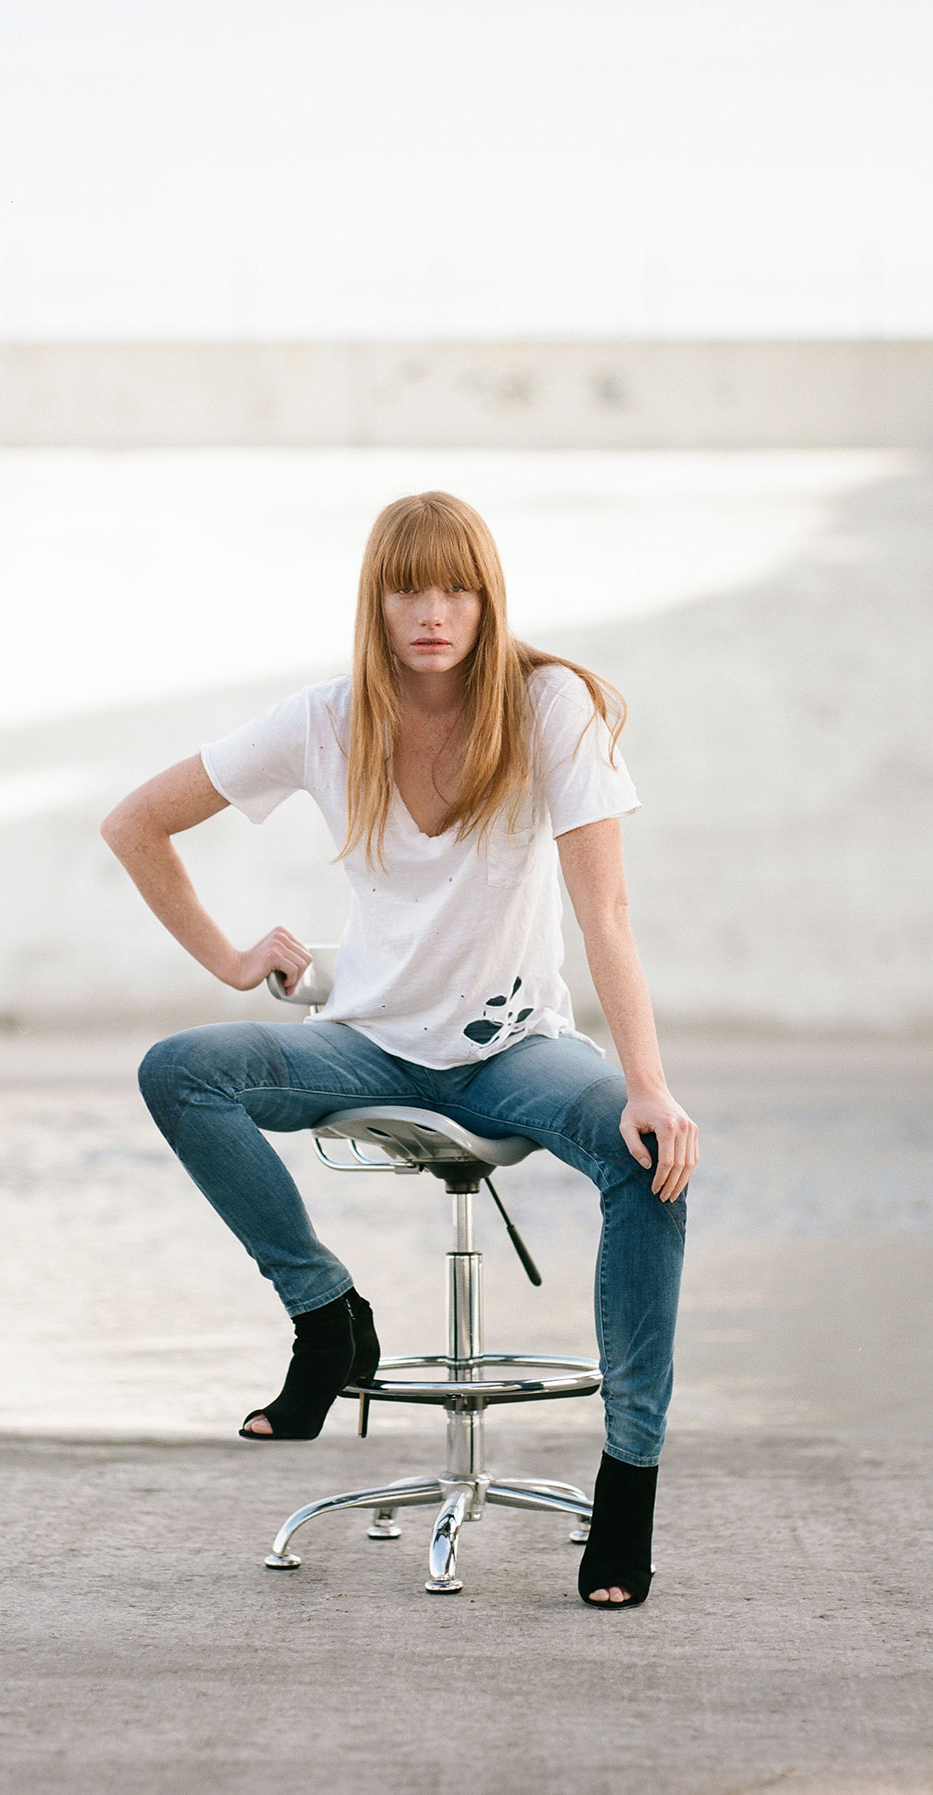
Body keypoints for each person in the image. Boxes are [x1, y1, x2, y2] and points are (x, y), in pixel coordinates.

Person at [101, 490, 696, 1609]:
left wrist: (650, 1088)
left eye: (457, 588)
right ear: (373, 602)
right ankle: (326, 1314)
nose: (433, 612)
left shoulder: (549, 705)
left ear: (487, 597)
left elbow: (605, 913)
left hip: (514, 1049)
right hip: (367, 1044)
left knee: (648, 1155)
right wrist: (232, 958)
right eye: (408, 588)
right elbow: (134, 823)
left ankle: (628, 1483)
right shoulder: (326, 720)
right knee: (181, 1070)